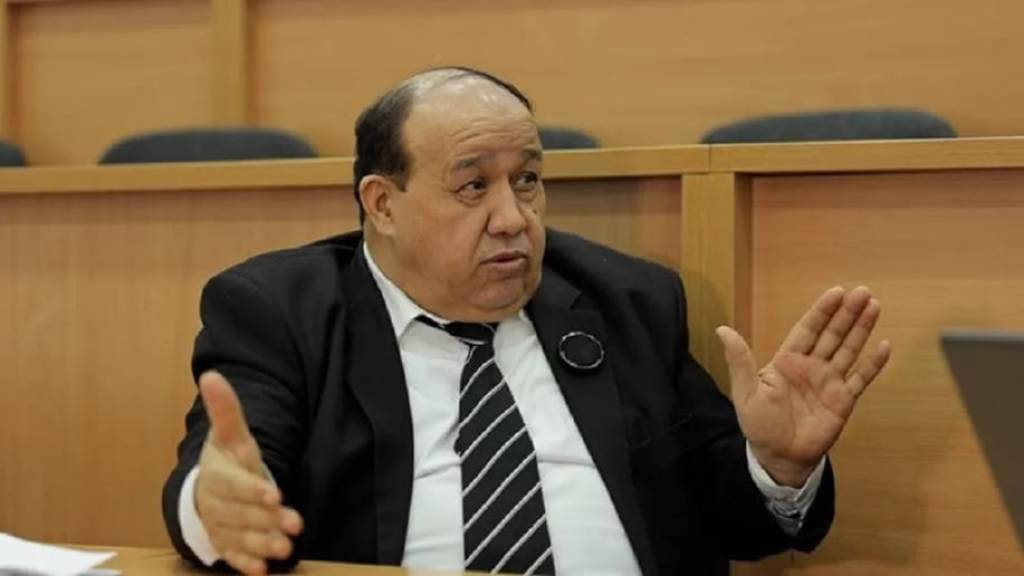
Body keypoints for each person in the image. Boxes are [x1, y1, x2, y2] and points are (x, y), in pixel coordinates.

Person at [162, 67, 891, 576]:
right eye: (473, 186)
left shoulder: (625, 301)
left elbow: (735, 521)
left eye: (528, 180)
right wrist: (215, 506)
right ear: (382, 204)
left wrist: (778, 467)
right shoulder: (281, 311)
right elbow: (226, 477)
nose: (513, 218)